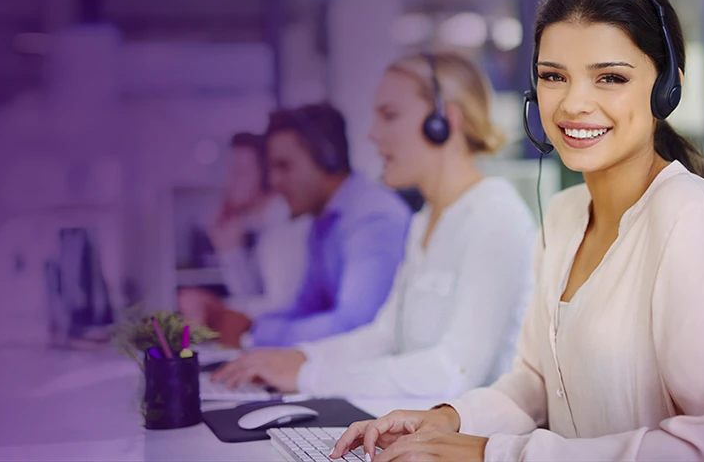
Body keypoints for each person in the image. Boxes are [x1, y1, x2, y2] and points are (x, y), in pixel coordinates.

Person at [331, 0, 704, 462]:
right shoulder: (563, 216)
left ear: (666, 90)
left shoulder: (694, 221)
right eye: (553, 76)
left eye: (610, 78)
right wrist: (445, 420)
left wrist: (488, 454)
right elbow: (536, 385)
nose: (573, 104)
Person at [211, 51, 535, 398]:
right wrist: (297, 357)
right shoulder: (425, 220)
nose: (373, 134)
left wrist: (311, 377)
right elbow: (383, 336)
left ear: (444, 123)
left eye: (389, 115)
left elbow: (454, 369)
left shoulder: (495, 215)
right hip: (416, 424)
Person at [179, 103, 410, 347]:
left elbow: (356, 326)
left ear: (327, 159)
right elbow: (304, 310)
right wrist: (242, 323)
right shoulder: (322, 224)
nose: (274, 182)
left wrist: (252, 335)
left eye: (284, 166)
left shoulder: (372, 218)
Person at [179, 132, 309, 322]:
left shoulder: (284, 230)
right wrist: (229, 251)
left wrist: (215, 308)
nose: (229, 182)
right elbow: (251, 295)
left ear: (267, 176)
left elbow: (280, 309)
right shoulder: (264, 229)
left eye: (239, 172)